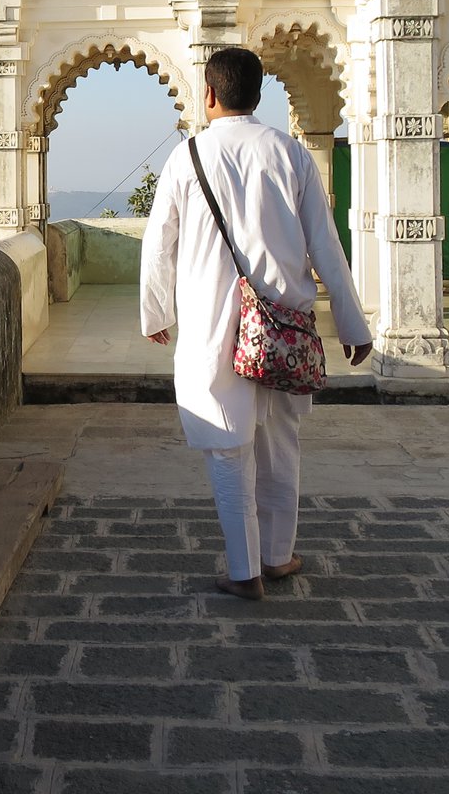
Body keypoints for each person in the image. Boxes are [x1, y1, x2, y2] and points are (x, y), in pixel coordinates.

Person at [140, 46, 371, 600]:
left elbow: (158, 245)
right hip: (282, 328)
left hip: (213, 328)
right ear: (257, 94)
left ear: (210, 94)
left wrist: (156, 312)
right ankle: (277, 556)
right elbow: (326, 246)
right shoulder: (289, 153)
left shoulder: (187, 157)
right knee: (280, 444)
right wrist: (353, 326)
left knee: (228, 446)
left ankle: (244, 570)